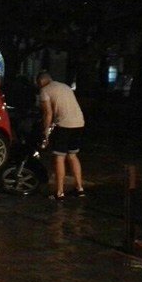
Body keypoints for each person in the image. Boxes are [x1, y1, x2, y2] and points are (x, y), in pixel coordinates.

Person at [36, 71, 86, 201]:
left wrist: (45, 131)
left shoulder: (45, 91)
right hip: (79, 123)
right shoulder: (64, 86)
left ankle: (59, 192)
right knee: (73, 155)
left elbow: (48, 113)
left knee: (59, 157)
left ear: (40, 82)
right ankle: (80, 188)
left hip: (64, 125)